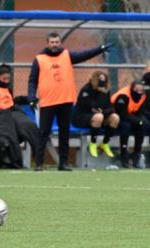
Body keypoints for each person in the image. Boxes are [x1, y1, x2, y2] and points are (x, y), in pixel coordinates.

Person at [27, 32, 112, 171]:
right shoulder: (39, 59)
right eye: (52, 42)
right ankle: (39, 163)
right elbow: (32, 81)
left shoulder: (67, 55)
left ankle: (63, 163)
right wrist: (31, 97)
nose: (54, 45)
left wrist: (100, 48)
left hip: (65, 101)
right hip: (47, 102)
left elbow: (84, 54)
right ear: (47, 43)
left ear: (60, 43)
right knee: (43, 133)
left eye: (57, 42)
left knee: (64, 133)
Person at [0, 64, 41, 169]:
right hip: (1, 116)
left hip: (12, 113)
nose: (6, 81)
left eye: (8, 78)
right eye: (4, 78)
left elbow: (11, 101)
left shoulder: (8, 89)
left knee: (29, 126)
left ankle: (38, 157)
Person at [72, 71, 119, 158]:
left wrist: (104, 111)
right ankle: (93, 143)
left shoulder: (106, 91)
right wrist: (96, 109)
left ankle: (105, 143)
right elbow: (86, 104)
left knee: (115, 117)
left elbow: (110, 106)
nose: (102, 81)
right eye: (100, 79)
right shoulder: (86, 89)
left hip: (100, 116)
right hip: (82, 117)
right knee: (98, 117)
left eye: (104, 79)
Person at [111, 81, 147, 168]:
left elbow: (140, 113)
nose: (138, 92)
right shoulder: (123, 96)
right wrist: (137, 121)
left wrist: (140, 121)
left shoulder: (142, 96)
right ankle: (123, 155)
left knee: (142, 125)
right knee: (126, 126)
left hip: (130, 116)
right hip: (116, 117)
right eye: (136, 90)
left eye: (140, 90)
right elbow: (122, 114)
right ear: (131, 88)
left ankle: (136, 154)